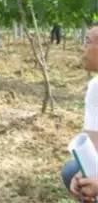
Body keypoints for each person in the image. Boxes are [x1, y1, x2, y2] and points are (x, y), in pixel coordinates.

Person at [62, 25, 98, 202]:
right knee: (73, 171)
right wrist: (82, 172)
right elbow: (94, 140)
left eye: (87, 42)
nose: (82, 49)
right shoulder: (95, 87)